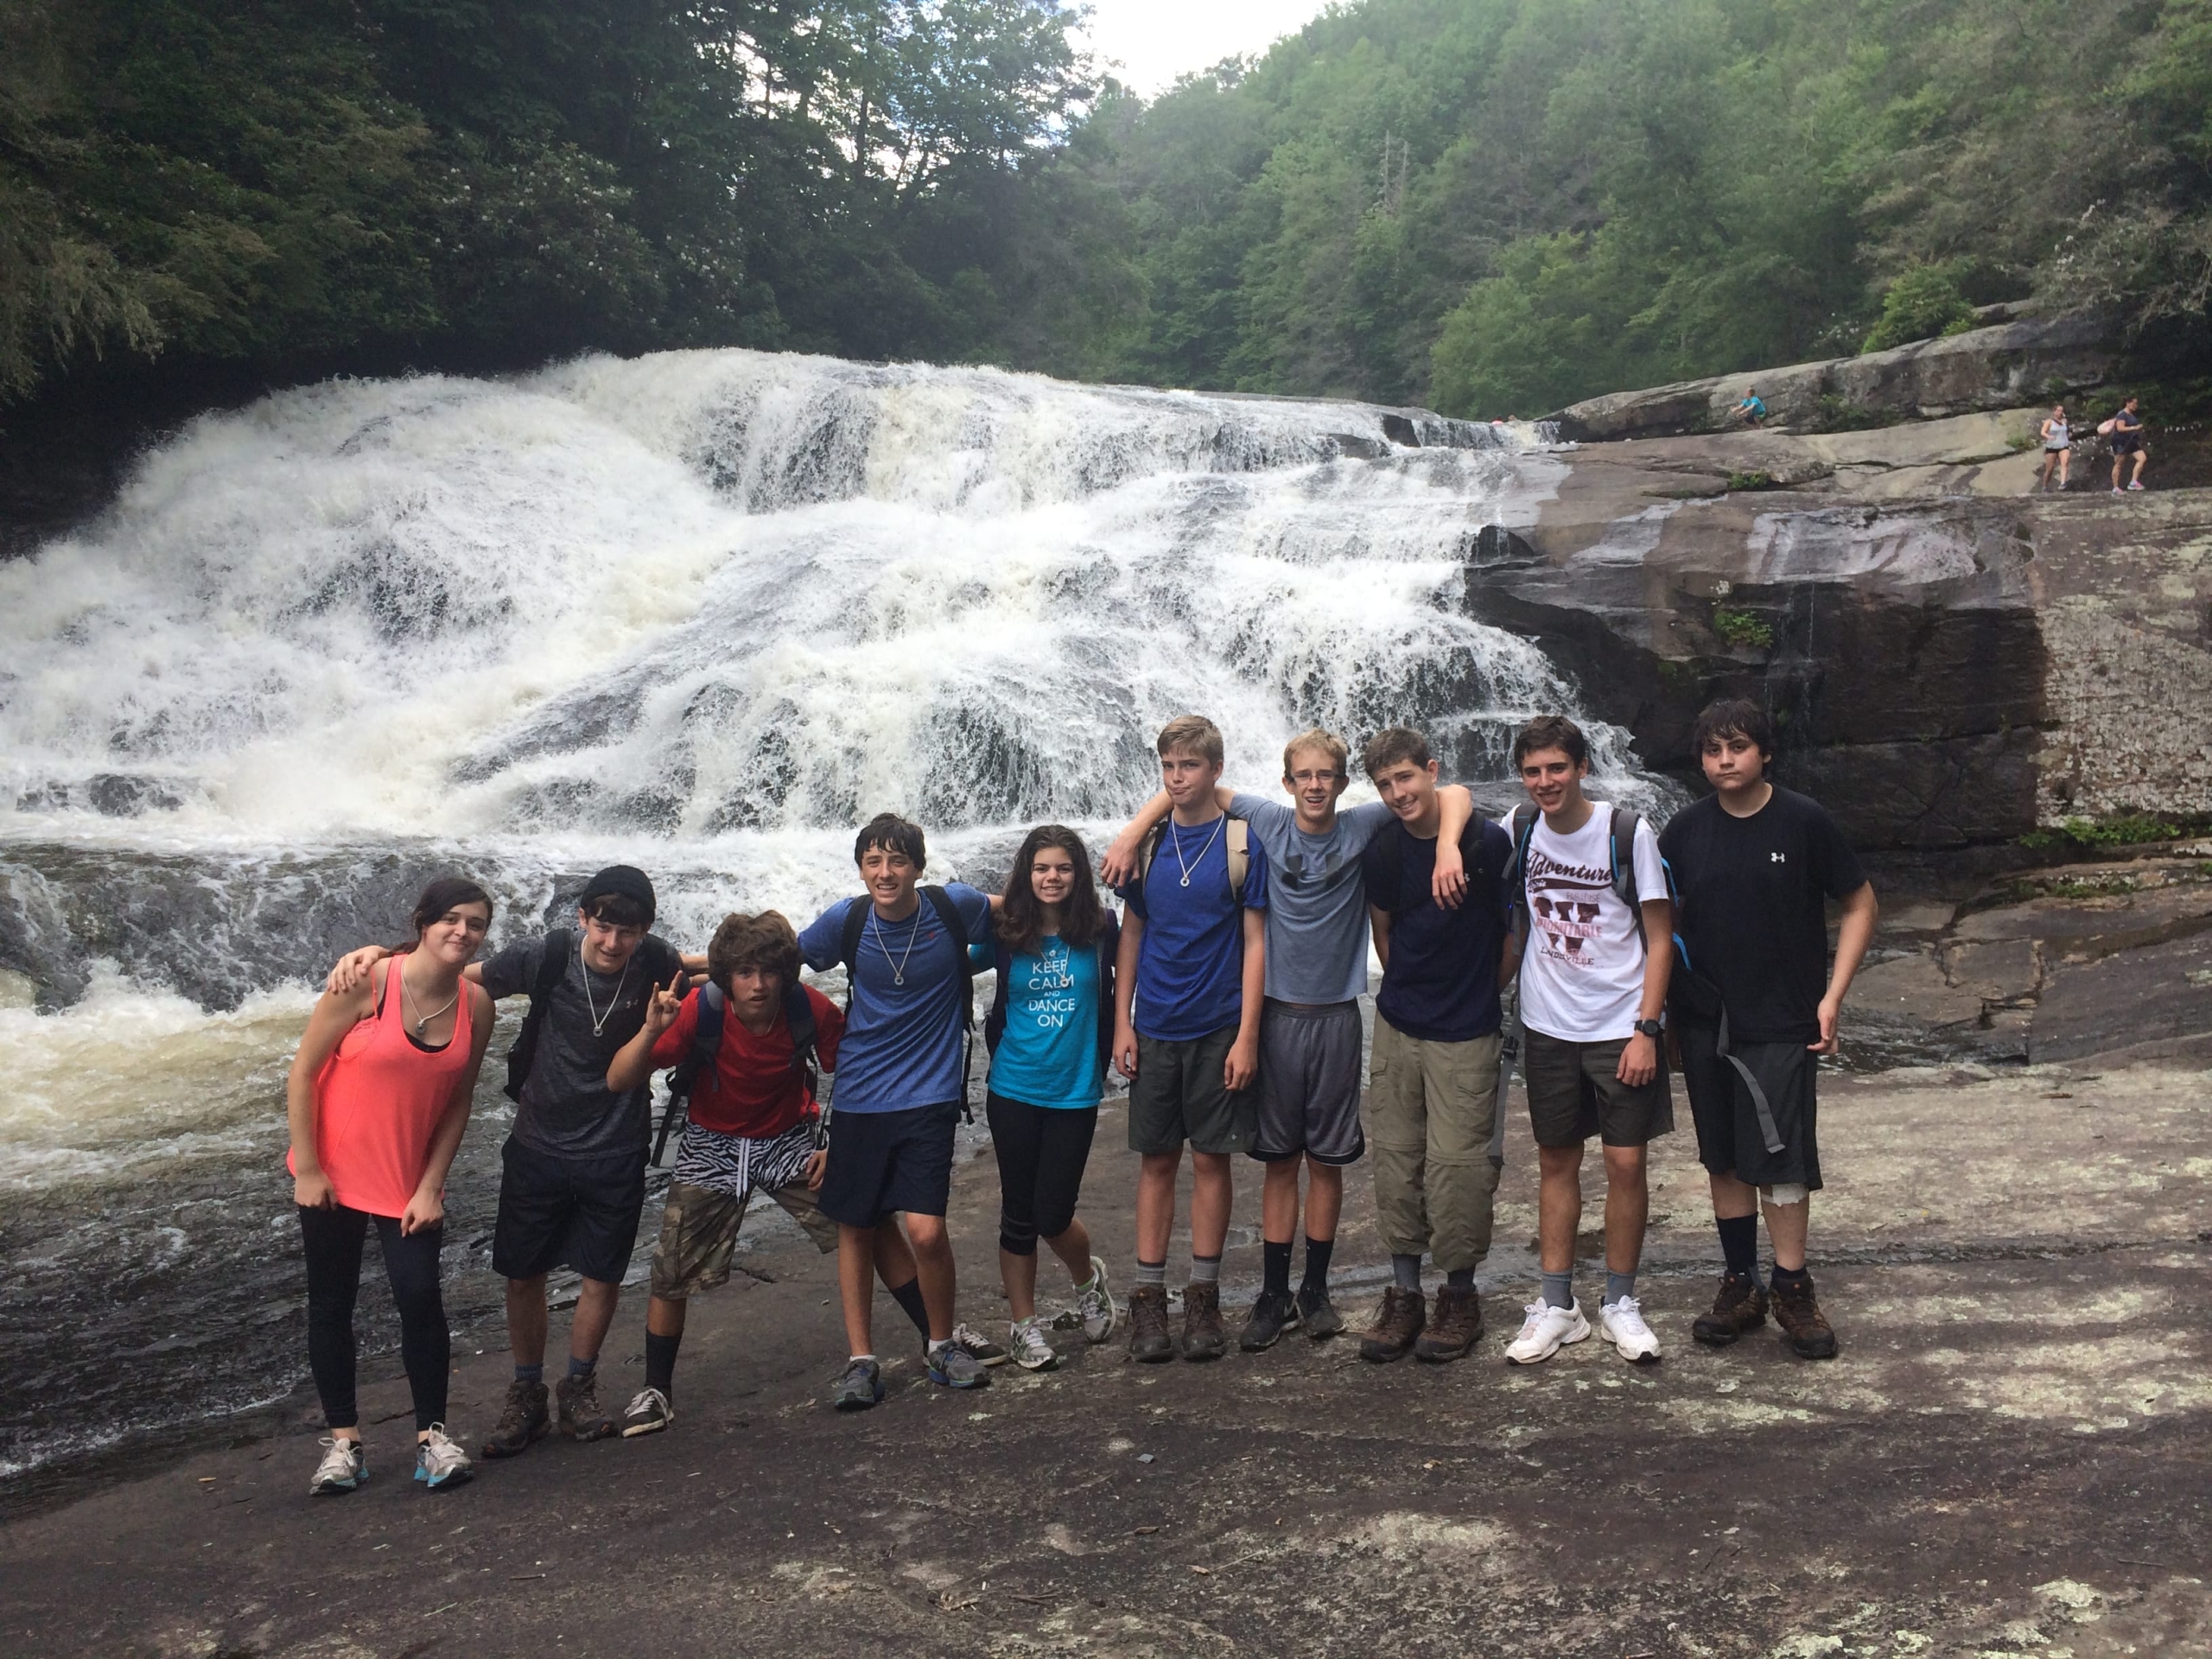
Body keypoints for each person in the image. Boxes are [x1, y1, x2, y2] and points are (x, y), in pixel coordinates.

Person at [1103, 730, 1476, 1351]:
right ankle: (1273, 1295)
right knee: (1279, 1161)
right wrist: (1129, 832)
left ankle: (1317, 1291)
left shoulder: (1363, 825)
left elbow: (1454, 791)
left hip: (1336, 1017)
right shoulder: (1266, 821)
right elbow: (1185, 786)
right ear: (1286, 782)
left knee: (1326, 1161)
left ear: (1341, 781)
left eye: (1326, 775)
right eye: (1303, 775)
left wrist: (1448, 850)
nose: (1314, 785)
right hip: (1275, 1017)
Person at [327, 865, 691, 1456]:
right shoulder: (544, 955)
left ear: (646, 931)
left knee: (602, 1274)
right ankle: (527, 1395)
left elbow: (712, 966)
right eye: (602, 927)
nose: (612, 943)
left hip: (616, 1147)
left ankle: (578, 1386)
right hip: (537, 1143)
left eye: (627, 932)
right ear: (582, 919)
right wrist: (379, 959)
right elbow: (444, 975)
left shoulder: (658, 962)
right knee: (523, 1272)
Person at [1659, 700, 1877, 1360]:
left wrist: (1833, 996)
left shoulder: (1804, 820)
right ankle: (1740, 1283)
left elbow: (1861, 903)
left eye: (1739, 748)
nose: (1726, 761)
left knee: (1780, 1159)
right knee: (1722, 1156)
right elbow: (1657, 922)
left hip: (1783, 1018)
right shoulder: (1684, 831)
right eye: (1713, 751)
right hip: (1705, 1018)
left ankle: (1791, 1284)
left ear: (1766, 753)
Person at [603, 910, 858, 1435]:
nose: (758, 985)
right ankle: (656, 1391)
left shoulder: (807, 1008)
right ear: (726, 977)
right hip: (711, 1144)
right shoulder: (702, 1009)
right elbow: (618, 1079)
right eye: (744, 973)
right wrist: (652, 1030)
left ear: (786, 974)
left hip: (789, 1138)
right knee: (670, 1270)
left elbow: (853, 1070)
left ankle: (938, 1338)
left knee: (864, 1220)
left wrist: (842, 1144)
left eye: (768, 972)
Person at [289, 878, 497, 1495]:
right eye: (451, 920)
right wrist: (307, 1167)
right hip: (333, 1173)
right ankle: (344, 1444)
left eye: (476, 924)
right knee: (331, 1303)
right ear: (424, 923)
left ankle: (432, 1441)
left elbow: (458, 1101)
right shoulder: (368, 982)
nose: (462, 932)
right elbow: (302, 1073)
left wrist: (432, 1186)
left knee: (419, 1298)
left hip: (407, 1180)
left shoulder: (476, 1006)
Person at [798, 814, 998, 1409]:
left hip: (931, 1093)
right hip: (859, 1093)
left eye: (898, 861)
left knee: (926, 1229)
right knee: (857, 1225)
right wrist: (691, 972)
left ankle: (940, 1343)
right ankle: (862, 1362)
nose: (886, 873)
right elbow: (775, 960)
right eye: (873, 862)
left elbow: (1021, 913)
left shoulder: (951, 907)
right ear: (861, 868)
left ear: (918, 866)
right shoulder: (847, 920)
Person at [1500, 715, 1674, 1368]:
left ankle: (1620, 1303)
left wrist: (1646, 1030)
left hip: (1619, 1027)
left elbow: (1660, 937)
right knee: (1556, 1161)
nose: (1545, 781)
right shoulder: (1518, 829)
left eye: (1557, 768)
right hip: (1548, 1027)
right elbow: (1442, 811)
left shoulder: (1626, 834)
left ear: (1581, 768)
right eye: (1534, 770)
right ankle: (1557, 1306)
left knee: (1626, 1164)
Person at [1356, 728, 1519, 1364]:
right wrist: (1412, 993)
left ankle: (1458, 1296)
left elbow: (1514, 933)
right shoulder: (1384, 853)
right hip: (1400, 1026)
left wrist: (1479, 991)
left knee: (1459, 1169)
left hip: (1467, 1031)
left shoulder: (1484, 843)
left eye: (1406, 778)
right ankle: (1403, 1294)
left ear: (1431, 771)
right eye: (1386, 785)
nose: (1398, 793)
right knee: (1397, 1162)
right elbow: (1384, 935)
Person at [1110, 715, 1269, 1363]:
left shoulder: (1241, 843)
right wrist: (1122, 1020)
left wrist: (1248, 1038)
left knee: (1211, 1158)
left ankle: (1203, 1294)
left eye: (1190, 766)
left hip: (1218, 1026)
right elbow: (1131, 936)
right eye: (1169, 767)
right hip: (1155, 1027)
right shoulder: (1147, 847)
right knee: (1155, 1160)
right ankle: (1149, 1299)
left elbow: (1257, 941)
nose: (1178, 778)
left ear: (1215, 770)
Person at [981, 826, 1122, 1370]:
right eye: (1041, 868)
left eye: (1062, 868)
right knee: (1018, 1214)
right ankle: (1023, 1326)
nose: (1052, 878)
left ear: (1078, 874)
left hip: (1075, 1089)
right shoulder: (1004, 929)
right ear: (1026, 874)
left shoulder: (1100, 928)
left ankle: (1088, 1279)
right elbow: (943, 948)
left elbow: (1129, 978)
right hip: (1013, 1086)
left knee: (1054, 1211)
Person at [2104, 397, 2148, 492]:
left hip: (2132, 441)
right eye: (2134, 403)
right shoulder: (2122, 415)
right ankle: (2115, 487)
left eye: (2136, 404)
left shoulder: (2131, 415)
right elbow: (2120, 428)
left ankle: (2133, 482)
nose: (2136, 406)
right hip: (2121, 441)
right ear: (2128, 403)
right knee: (2119, 463)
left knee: (2142, 458)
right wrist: (2134, 428)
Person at [2037, 404, 2072, 492]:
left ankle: (2063, 483)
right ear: (2054, 411)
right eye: (2058, 411)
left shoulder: (2065, 421)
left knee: (2065, 462)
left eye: (2062, 411)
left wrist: (2069, 435)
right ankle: (2045, 486)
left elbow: (2068, 431)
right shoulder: (2049, 422)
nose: (2060, 412)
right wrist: (2049, 437)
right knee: (2050, 468)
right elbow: (2043, 432)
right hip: (2052, 446)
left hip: (2063, 445)